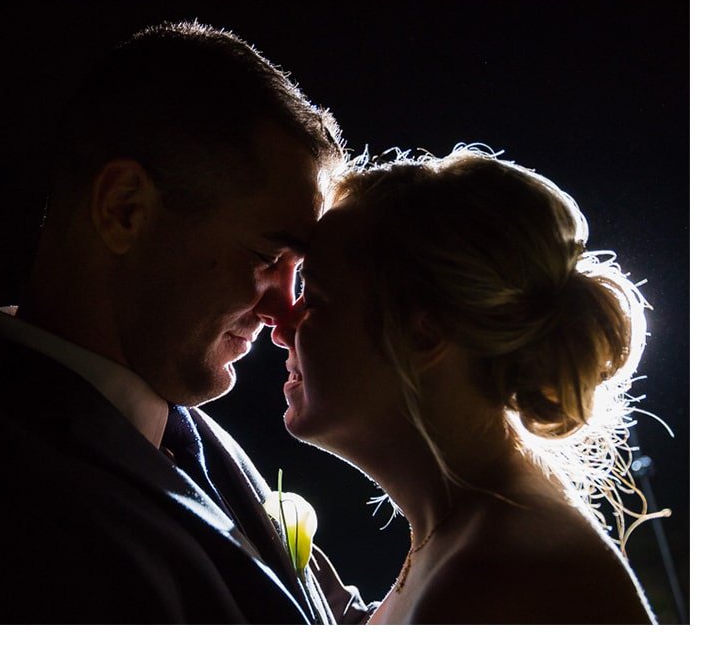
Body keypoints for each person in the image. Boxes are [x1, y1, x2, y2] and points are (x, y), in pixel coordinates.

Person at [0, 23, 369, 624]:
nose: (286, 312)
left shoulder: (191, 436)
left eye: (298, 271)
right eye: (265, 259)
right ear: (124, 210)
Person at [273, 147, 657, 624]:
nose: (282, 324)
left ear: (422, 335)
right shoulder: (464, 537)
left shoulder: (495, 579)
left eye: (317, 297)